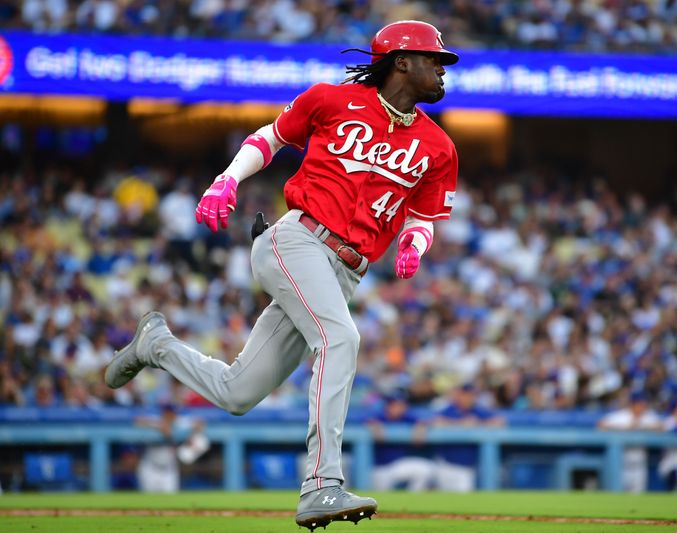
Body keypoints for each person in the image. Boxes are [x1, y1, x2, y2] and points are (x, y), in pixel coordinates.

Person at [105, 19, 459, 531]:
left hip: (345, 273)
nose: (443, 70)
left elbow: (423, 217)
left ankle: (154, 345)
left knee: (237, 392)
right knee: (340, 339)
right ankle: (320, 484)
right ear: (402, 61)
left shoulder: (439, 146)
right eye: (435, 59)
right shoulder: (332, 101)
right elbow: (269, 139)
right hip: (296, 241)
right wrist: (227, 179)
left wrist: (415, 243)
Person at [430, 383, 505, 491]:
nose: (469, 398)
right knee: (443, 501)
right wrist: (459, 424)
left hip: (467, 468)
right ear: (460, 395)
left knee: (462, 500)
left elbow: (500, 421)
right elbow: (436, 422)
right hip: (446, 465)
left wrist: (478, 424)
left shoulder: (477, 411)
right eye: (466, 395)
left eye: (472, 395)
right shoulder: (450, 409)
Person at [367, 391, 435, 491]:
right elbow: (363, 419)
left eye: (402, 405)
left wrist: (421, 426)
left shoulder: (406, 417)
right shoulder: (379, 416)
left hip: (396, 465)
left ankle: (413, 499)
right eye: (395, 405)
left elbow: (425, 420)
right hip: (377, 468)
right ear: (388, 405)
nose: (399, 408)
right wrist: (372, 425)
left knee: (425, 470)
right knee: (380, 497)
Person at [597, 391, 662, 493]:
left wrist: (643, 427)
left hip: (640, 464)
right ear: (632, 404)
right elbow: (601, 425)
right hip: (621, 464)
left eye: (643, 404)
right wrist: (624, 428)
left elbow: (661, 427)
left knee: (638, 496)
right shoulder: (622, 416)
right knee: (618, 495)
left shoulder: (648, 416)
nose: (641, 406)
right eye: (638, 403)